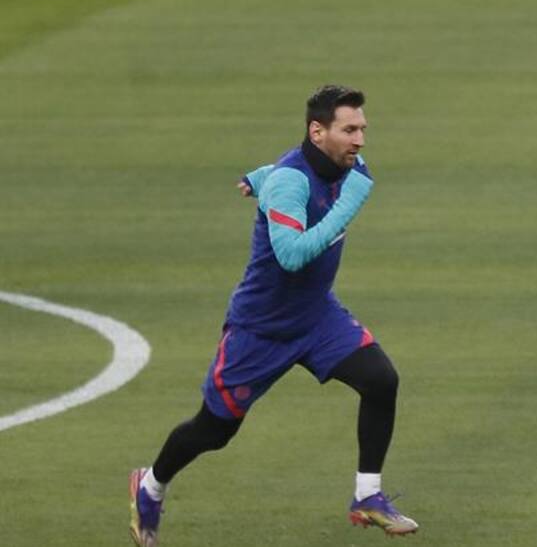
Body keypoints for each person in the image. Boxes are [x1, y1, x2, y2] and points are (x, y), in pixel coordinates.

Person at [129, 85, 418, 546]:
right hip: (260, 328)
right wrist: (344, 203)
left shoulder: (341, 166)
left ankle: (367, 495)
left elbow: (287, 169)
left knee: (381, 380)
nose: (360, 140)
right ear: (318, 131)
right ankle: (150, 486)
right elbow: (292, 255)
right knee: (214, 430)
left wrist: (258, 176)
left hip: (316, 317)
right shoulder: (294, 184)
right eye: (350, 130)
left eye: (363, 129)